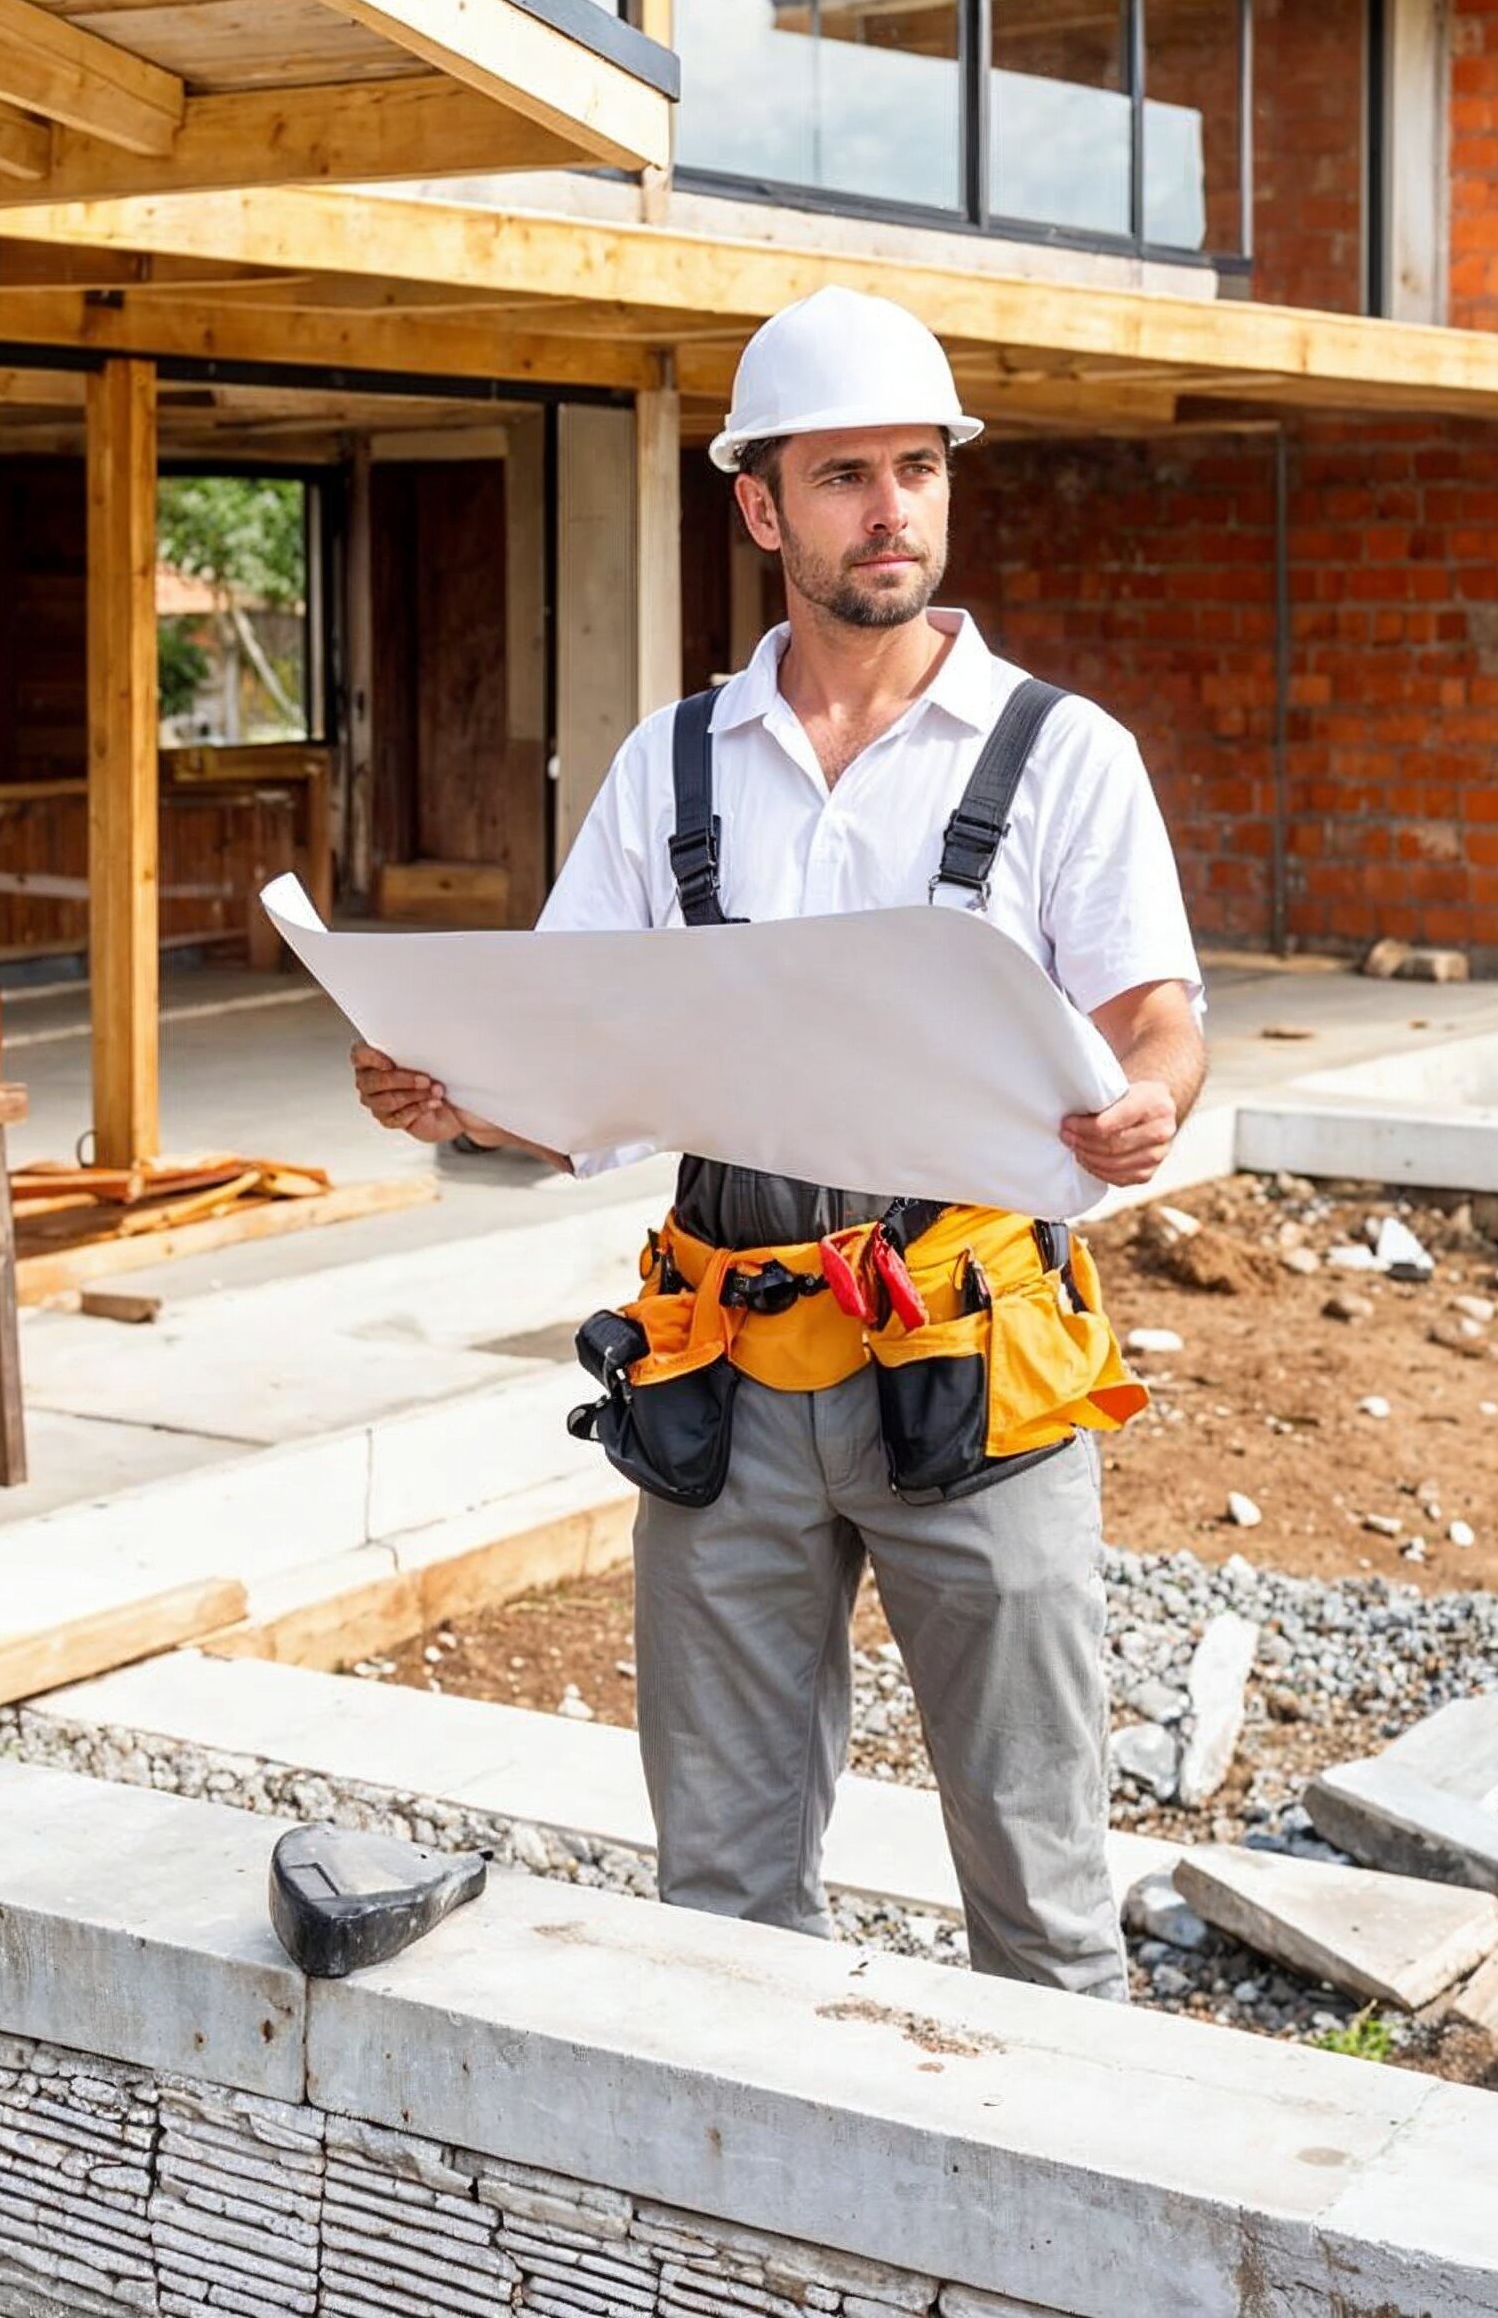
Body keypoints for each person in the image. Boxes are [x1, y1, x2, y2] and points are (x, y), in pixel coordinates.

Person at [352, 286, 1205, 1996]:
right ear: (760, 506)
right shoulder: (677, 767)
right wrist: (453, 1090)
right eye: (844, 477)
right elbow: (581, 1058)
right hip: (728, 1385)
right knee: (723, 1901)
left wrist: (1153, 1101)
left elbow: (1159, 1015)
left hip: (977, 1363)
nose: (892, 508)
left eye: (915, 468)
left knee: (1044, 1909)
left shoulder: (1058, 756)